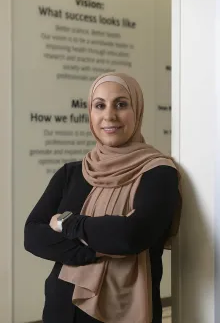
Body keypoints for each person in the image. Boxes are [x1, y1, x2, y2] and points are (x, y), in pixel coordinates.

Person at [24, 73, 181, 323]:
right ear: (91, 112)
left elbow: (132, 235)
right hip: (60, 308)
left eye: (121, 104)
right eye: (100, 105)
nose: (109, 116)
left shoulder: (158, 172)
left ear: (137, 110)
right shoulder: (72, 172)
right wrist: (92, 251)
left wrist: (69, 224)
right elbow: (33, 234)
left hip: (124, 313)